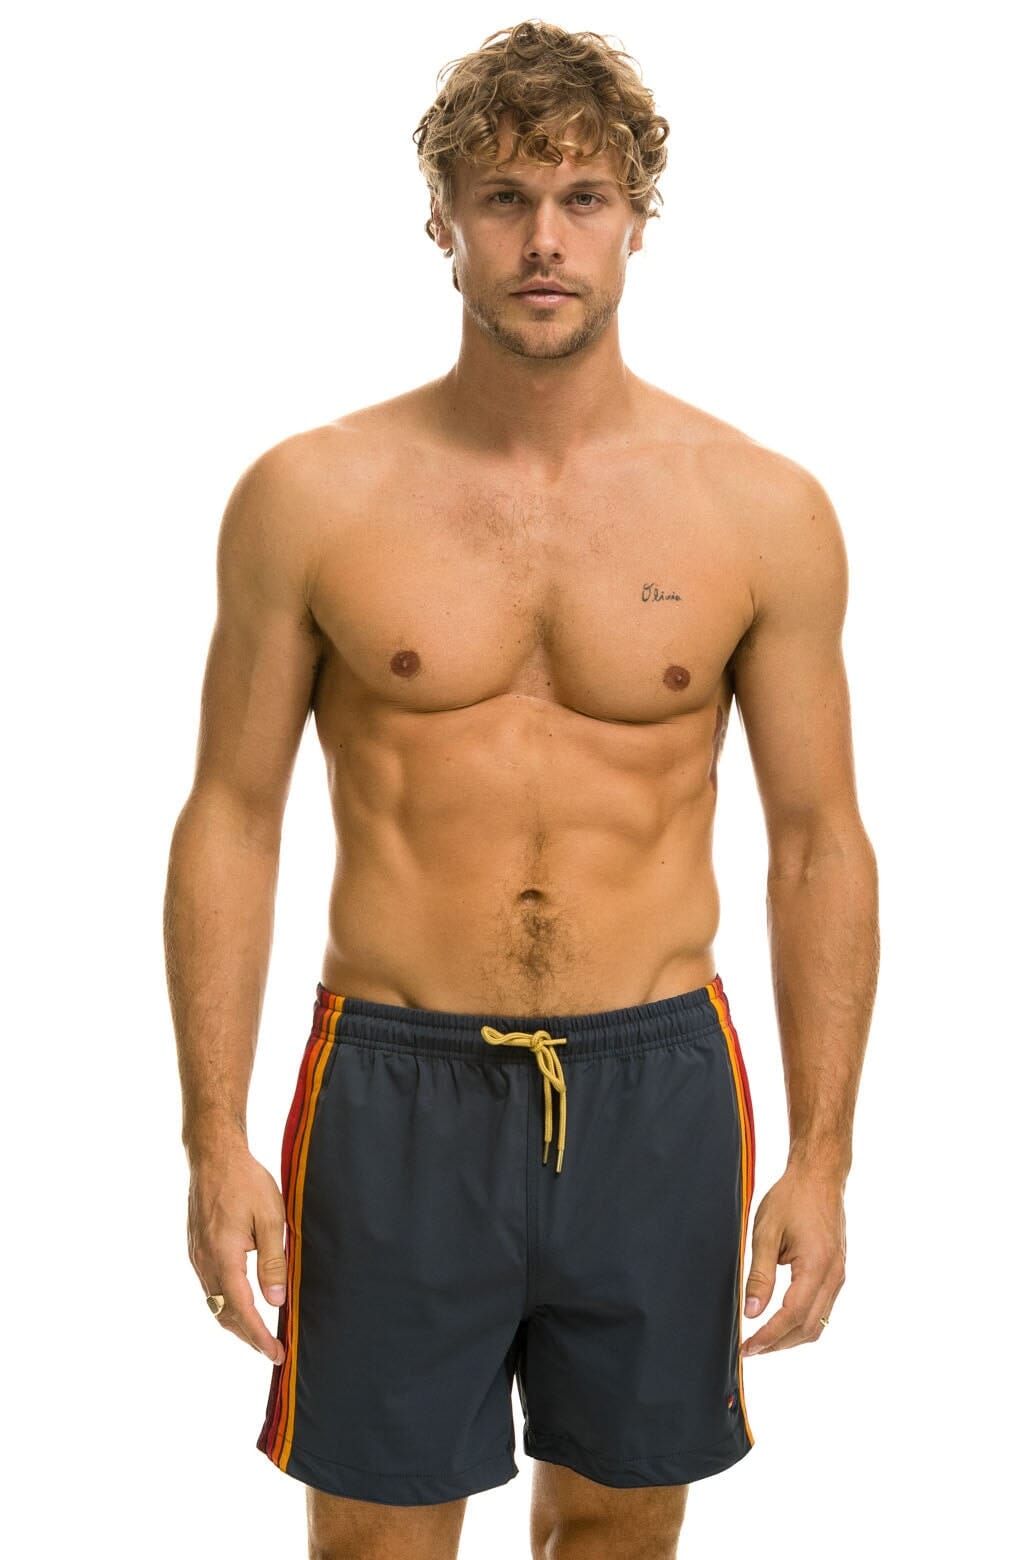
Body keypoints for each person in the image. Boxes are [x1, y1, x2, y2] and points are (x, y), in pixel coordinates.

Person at [164, 18, 879, 1560]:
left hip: (657, 1085)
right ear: (443, 222)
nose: (543, 240)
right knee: (375, 1544)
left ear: (636, 220)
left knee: (620, 1530)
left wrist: (824, 1155)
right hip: (393, 1085)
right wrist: (211, 1134)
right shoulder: (312, 496)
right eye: (503, 199)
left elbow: (818, 841)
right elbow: (232, 813)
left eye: (581, 198)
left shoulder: (760, 509)